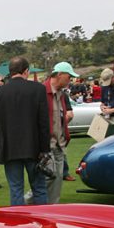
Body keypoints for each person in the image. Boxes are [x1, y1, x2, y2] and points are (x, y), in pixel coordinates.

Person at [0, 56, 50, 206]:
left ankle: (20, 225)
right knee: (39, 188)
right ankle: (43, 222)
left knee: (16, 190)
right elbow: (44, 123)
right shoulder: (38, 89)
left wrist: (1, 138)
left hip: (10, 147)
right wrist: (45, 149)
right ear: (26, 71)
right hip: (34, 147)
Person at [42, 62, 78, 204]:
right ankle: (25, 205)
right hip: (46, 145)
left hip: (59, 144)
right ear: (59, 75)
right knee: (46, 180)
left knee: (57, 180)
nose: (70, 80)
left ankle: (53, 208)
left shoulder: (62, 95)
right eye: (69, 77)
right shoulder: (41, 91)